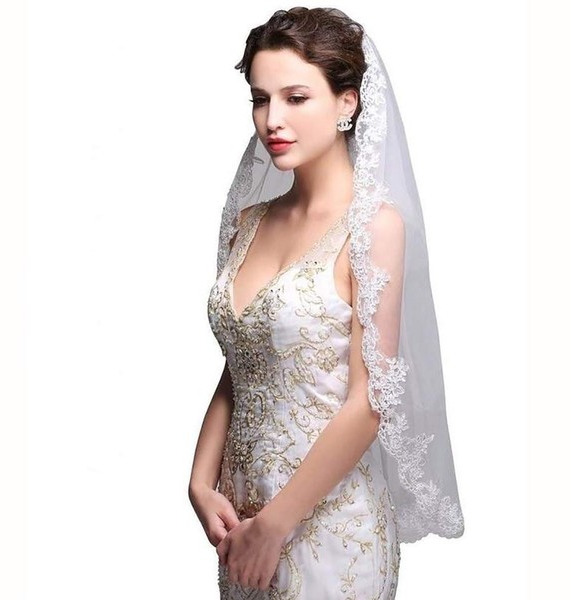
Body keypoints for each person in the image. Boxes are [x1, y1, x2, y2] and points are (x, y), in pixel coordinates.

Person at [189, 7, 465, 598]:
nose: (273, 119)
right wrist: (199, 481)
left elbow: (370, 401)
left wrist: (276, 526)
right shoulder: (247, 222)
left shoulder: (374, 229)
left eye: (295, 98)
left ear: (347, 102)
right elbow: (244, 365)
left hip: (328, 523)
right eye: (260, 99)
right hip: (241, 520)